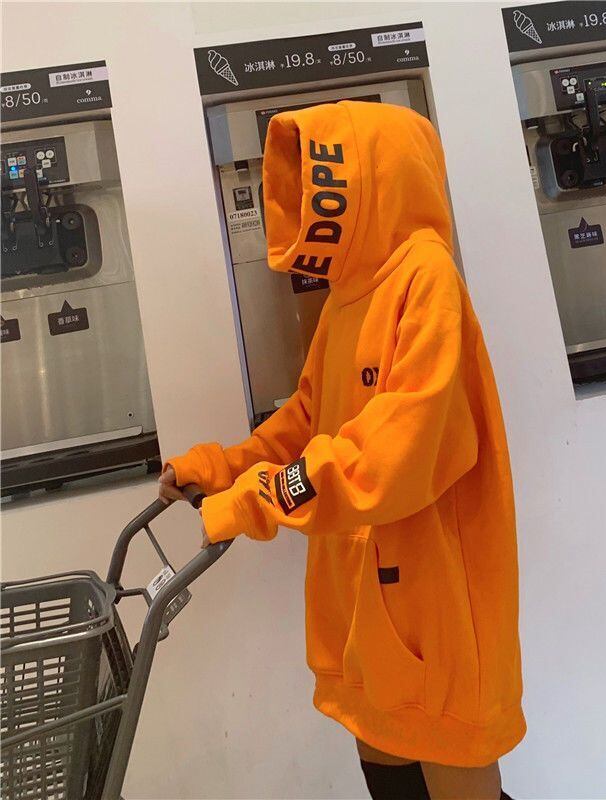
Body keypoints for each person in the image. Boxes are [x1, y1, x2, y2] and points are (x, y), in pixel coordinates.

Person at [159, 100, 524, 799]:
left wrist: (260, 499)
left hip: (435, 599)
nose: (301, 200)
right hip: (364, 598)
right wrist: (223, 469)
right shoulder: (346, 298)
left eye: (313, 178)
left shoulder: (427, 279)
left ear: (362, 178)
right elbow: (306, 417)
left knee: (453, 769)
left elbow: (397, 450)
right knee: (385, 768)